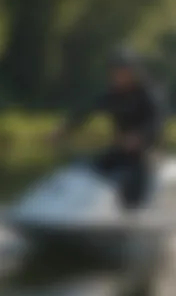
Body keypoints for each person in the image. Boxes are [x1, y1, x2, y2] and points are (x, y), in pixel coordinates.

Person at [50, 47, 168, 209]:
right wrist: (63, 130)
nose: (117, 76)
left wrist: (139, 136)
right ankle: (76, 209)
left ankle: (133, 214)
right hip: (120, 150)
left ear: (133, 71)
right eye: (114, 71)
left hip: (146, 153)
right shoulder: (113, 94)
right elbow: (86, 111)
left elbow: (157, 122)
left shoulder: (148, 94)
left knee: (136, 181)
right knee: (88, 169)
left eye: (122, 71)